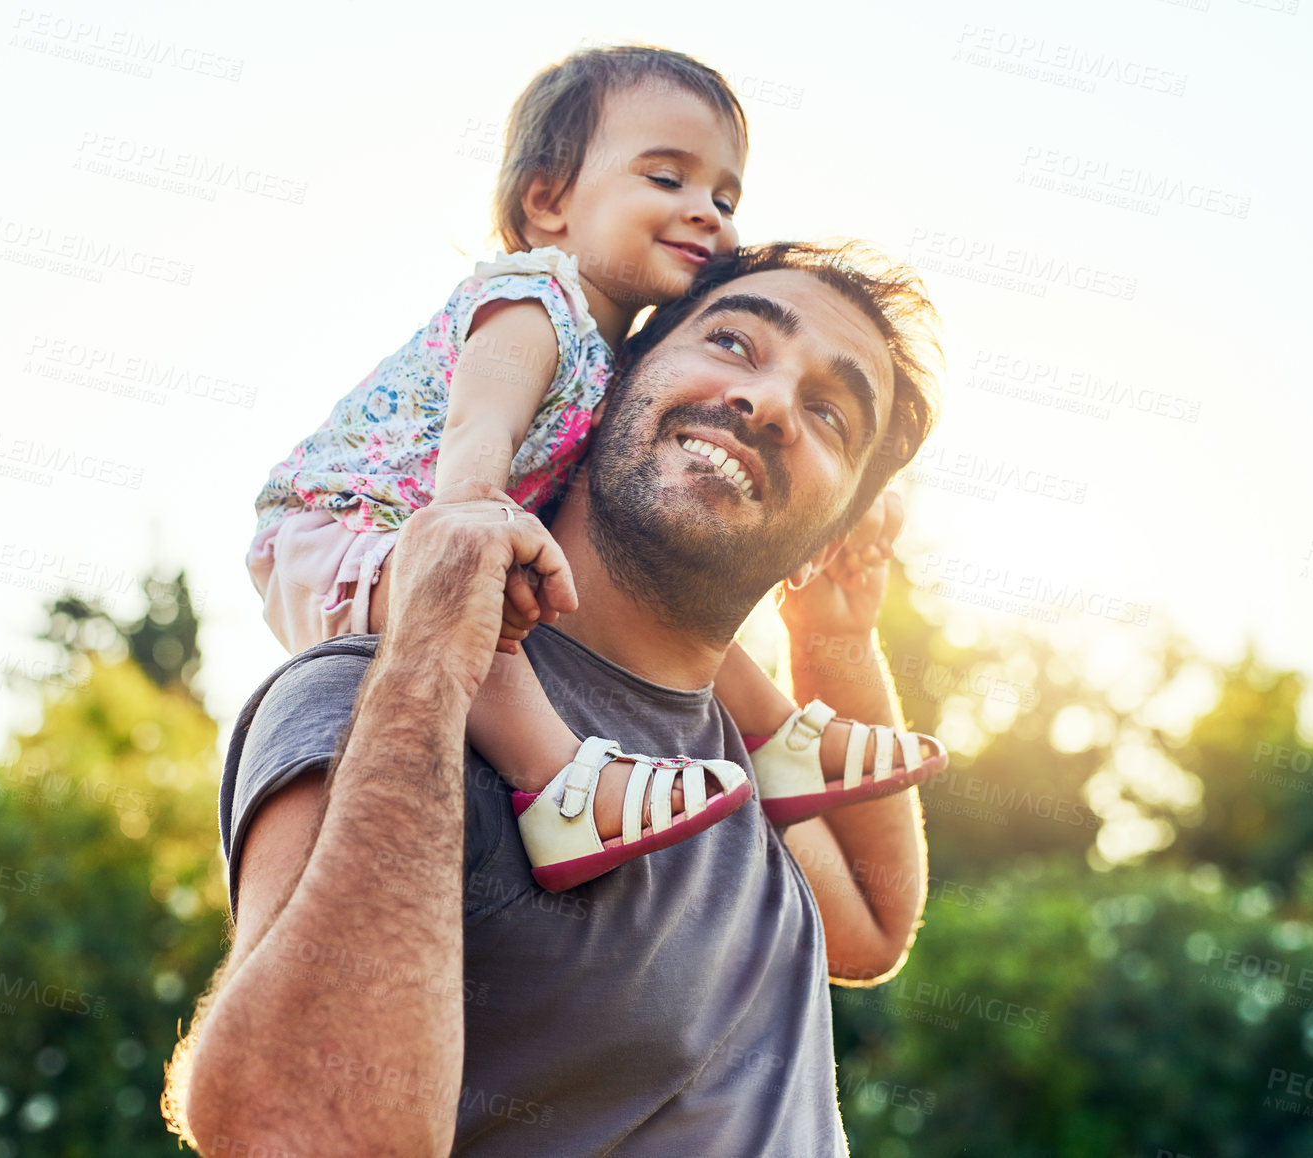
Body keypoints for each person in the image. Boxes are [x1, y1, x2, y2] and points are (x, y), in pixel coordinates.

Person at [166, 239, 943, 1154]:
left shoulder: (735, 763)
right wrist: (428, 652)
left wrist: (837, 638)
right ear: (602, 391)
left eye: (830, 414)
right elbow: (288, 1134)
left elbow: (875, 929)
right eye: (733, 344)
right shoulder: (377, 694)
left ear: (821, 543)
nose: (769, 403)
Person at [247, 46, 943, 891]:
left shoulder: (613, 364)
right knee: (471, 594)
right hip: (346, 528)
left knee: (669, 600)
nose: (709, 216)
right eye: (667, 179)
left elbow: (870, 933)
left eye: (724, 198)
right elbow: (480, 423)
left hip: (426, 531)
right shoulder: (534, 301)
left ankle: (780, 743)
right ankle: (562, 785)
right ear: (548, 200)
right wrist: (474, 515)